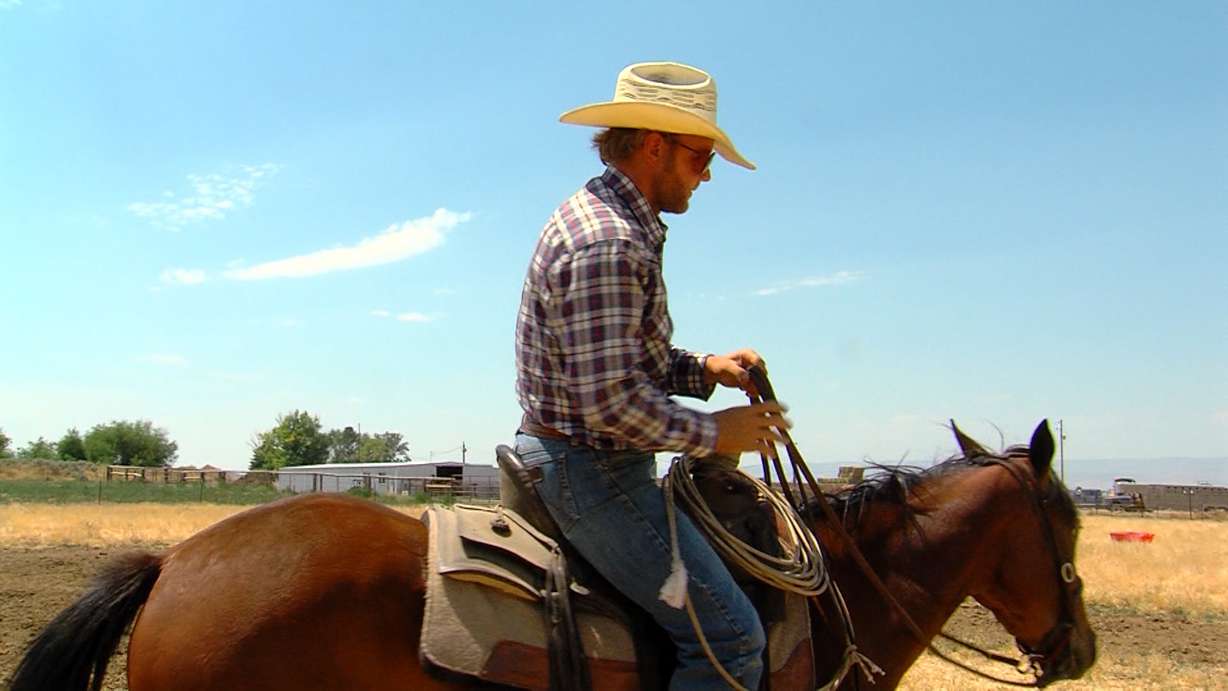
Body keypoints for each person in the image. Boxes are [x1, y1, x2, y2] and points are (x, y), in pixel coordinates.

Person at [513, 61, 789, 690]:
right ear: (654, 144)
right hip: (591, 472)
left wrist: (704, 369)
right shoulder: (610, 242)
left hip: (584, 457)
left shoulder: (613, 220)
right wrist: (719, 433)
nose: (708, 172)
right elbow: (609, 404)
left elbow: (622, 359)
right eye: (700, 155)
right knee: (733, 638)